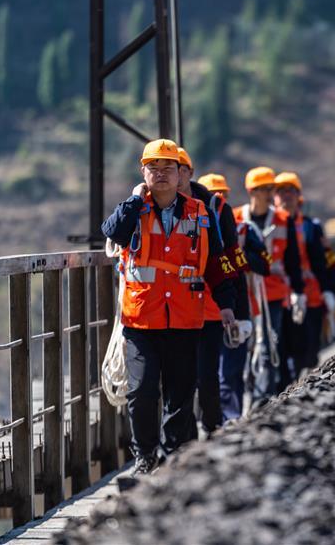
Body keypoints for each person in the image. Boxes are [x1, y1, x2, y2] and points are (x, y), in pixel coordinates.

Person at [101, 139, 237, 476]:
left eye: (168, 168)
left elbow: (218, 263)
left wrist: (230, 307)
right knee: (142, 390)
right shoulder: (132, 211)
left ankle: (175, 458)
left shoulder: (200, 213)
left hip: (184, 319)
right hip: (141, 320)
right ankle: (145, 456)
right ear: (142, 172)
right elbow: (113, 233)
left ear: (182, 175)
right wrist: (135, 198)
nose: (161, 174)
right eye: (153, 168)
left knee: (180, 393)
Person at [175, 151, 251, 437]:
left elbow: (230, 262)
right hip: (170, 311)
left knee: (208, 377)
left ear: (189, 173)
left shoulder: (216, 210)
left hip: (208, 308)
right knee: (178, 379)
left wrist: (238, 310)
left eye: (178, 169)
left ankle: (212, 426)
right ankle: (180, 439)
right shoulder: (151, 205)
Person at [197, 173, 270, 420]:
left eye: (224, 194)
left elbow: (256, 267)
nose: (219, 198)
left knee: (230, 370)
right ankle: (211, 420)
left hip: (233, 309)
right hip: (197, 312)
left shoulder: (242, 230)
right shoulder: (189, 225)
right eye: (214, 194)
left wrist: (243, 314)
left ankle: (229, 418)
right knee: (206, 373)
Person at [233, 166, 305, 406]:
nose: (269, 193)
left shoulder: (284, 220)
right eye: (264, 189)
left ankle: (262, 399)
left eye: (270, 189)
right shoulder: (234, 218)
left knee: (268, 344)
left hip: (273, 294)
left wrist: (298, 292)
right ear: (251, 191)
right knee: (244, 345)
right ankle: (245, 394)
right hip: (241, 292)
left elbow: (293, 260)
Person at [274, 172, 335, 375]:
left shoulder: (311, 227)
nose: (286, 196)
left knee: (309, 351)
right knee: (281, 351)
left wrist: (330, 290)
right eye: (281, 191)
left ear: (298, 195)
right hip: (278, 296)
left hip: (311, 297)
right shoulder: (269, 226)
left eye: (291, 191)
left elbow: (327, 261)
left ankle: (304, 388)